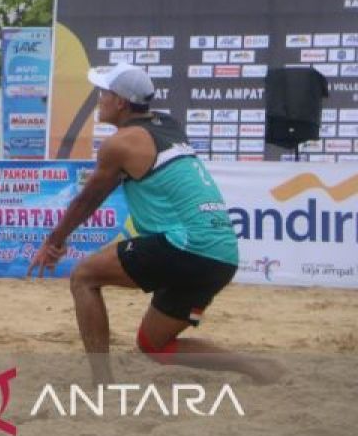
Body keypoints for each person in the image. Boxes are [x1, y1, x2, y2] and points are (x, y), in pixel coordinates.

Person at [27, 63, 278, 384]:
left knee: (84, 277)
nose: (98, 99)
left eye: (104, 93)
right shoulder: (169, 126)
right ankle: (257, 368)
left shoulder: (122, 144)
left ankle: (101, 382)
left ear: (120, 102)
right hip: (222, 253)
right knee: (154, 345)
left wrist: (54, 243)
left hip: (188, 244)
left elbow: (88, 200)